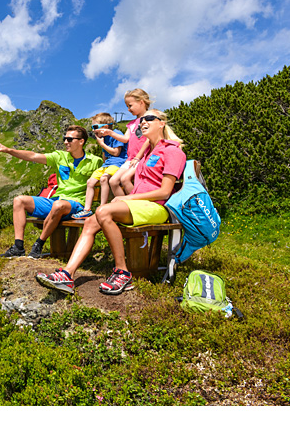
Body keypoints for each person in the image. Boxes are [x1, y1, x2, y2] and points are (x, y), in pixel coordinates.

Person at [35, 109, 186, 295]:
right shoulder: (147, 154)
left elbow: (164, 191)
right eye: (141, 120)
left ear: (162, 123)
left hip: (158, 207)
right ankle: (67, 274)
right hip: (140, 205)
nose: (142, 122)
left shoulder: (172, 151)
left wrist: (127, 198)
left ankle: (122, 272)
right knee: (91, 221)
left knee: (103, 211)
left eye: (148, 119)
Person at [0, 125, 103, 259]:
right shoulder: (59, 156)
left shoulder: (95, 161)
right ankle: (18, 247)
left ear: (81, 141)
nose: (65, 142)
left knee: (59, 205)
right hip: (56, 201)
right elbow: (32, 156)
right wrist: (8, 150)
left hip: (76, 204)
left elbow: (107, 177)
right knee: (19, 200)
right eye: (65, 138)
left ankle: (39, 243)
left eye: (69, 139)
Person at [73, 113, 127, 218]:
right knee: (90, 182)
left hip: (118, 162)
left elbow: (116, 152)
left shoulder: (116, 134)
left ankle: (102, 206)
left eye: (95, 127)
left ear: (105, 127)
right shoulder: (103, 138)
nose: (93, 130)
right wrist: (104, 164)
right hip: (107, 164)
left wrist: (102, 144)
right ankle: (87, 209)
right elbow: (104, 155)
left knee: (103, 179)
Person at [106, 89, 153, 197]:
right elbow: (125, 139)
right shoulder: (131, 123)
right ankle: (123, 205)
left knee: (125, 179)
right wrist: (111, 133)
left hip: (143, 157)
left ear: (141, 102)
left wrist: (138, 157)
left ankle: (138, 203)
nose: (128, 109)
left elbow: (149, 139)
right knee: (113, 181)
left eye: (130, 105)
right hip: (130, 159)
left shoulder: (149, 119)